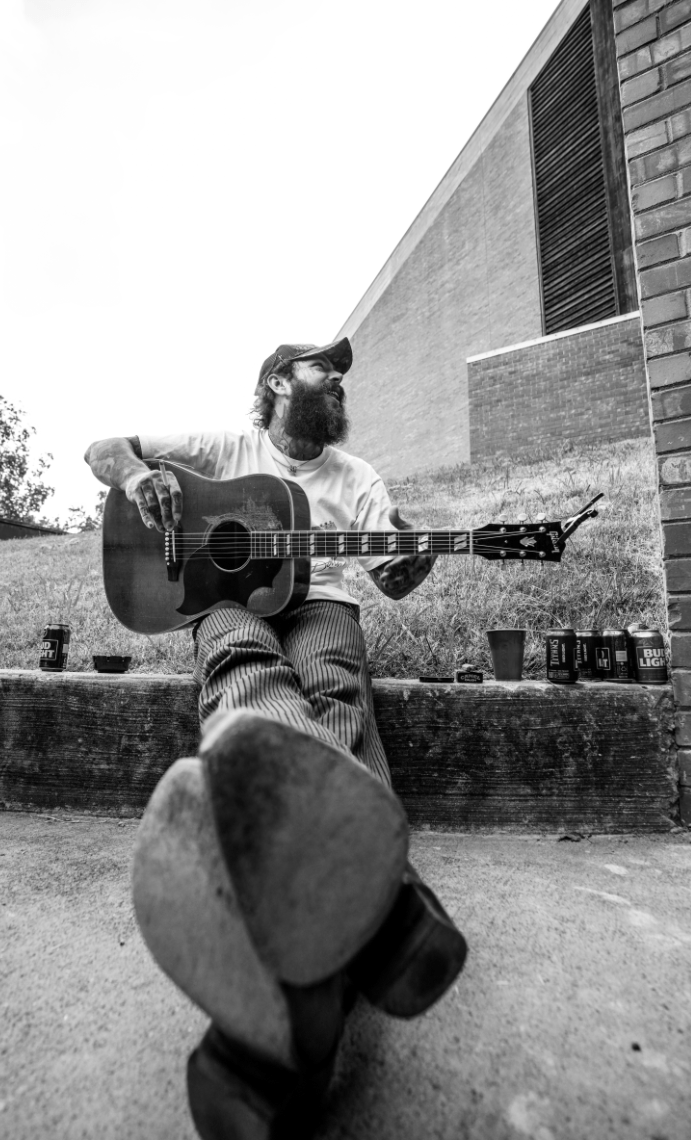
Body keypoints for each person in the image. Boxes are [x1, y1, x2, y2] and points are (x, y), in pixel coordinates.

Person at [85, 338, 467, 1140]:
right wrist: (137, 475)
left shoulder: (356, 478)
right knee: (237, 660)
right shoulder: (227, 450)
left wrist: (410, 562)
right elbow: (102, 447)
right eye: (320, 365)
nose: (335, 377)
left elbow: (391, 558)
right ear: (275, 384)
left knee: (333, 692)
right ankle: (381, 903)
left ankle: (297, 998)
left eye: (338, 371)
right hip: (223, 600)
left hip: (326, 602)